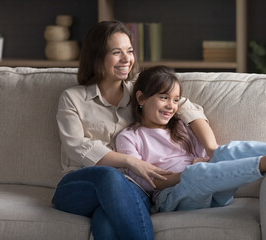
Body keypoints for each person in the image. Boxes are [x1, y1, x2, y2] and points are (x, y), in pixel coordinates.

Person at [52, 21, 213, 240]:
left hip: (133, 189)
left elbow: (186, 107)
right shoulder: (73, 98)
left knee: (106, 221)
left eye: (129, 51)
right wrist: (130, 162)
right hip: (79, 186)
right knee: (109, 176)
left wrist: (212, 149)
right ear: (97, 56)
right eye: (116, 52)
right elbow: (76, 147)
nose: (126, 59)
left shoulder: (141, 93)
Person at [115, 65, 266, 212]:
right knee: (196, 172)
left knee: (224, 151)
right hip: (171, 197)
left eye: (175, 100)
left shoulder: (180, 128)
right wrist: (185, 173)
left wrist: (203, 160)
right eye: (164, 98)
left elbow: (207, 155)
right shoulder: (130, 137)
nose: (171, 106)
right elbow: (145, 181)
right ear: (141, 98)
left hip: (213, 192)